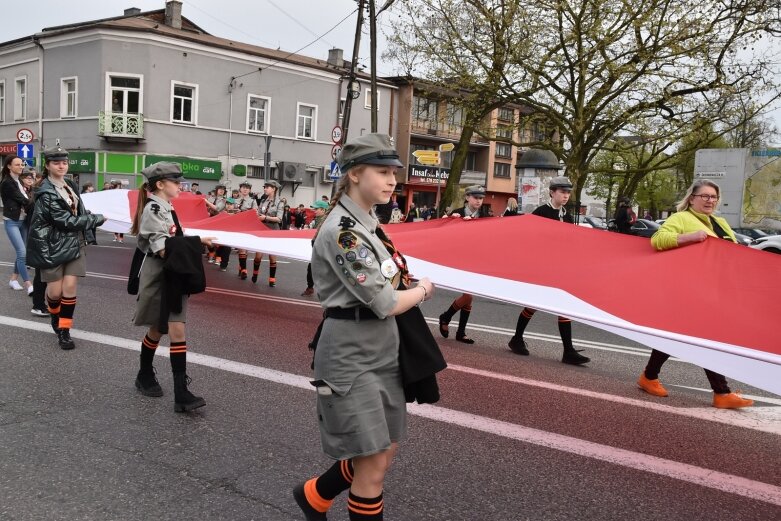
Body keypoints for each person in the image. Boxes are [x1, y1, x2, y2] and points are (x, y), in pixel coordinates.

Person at [294, 133, 434, 521]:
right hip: (351, 353)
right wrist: (423, 290)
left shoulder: (370, 223)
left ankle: (314, 495)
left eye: (394, 173)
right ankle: (314, 496)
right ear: (355, 174)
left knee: (384, 451)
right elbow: (387, 302)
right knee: (371, 465)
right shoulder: (344, 231)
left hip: (382, 349)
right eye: (382, 171)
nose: (392, 180)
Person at [636, 179, 753, 409]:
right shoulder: (681, 218)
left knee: (674, 336)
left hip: (714, 288)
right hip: (689, 289)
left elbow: (731, 250)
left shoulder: (719, 222)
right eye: (705, 196)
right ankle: (722, 392)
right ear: (692, 198)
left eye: (714, 197)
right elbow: (657, 240)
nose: (710, 200)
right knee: (707, 338)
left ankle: (648, 377)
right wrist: (689, 237)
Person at [130, 161, 215, 412]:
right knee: (159, 328)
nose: (181, 185)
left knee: (175, 329)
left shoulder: (166, 206)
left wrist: (196, 241)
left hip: (172, 274)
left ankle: (180, 392)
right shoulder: (154, 209)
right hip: (160, 274)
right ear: (160, 184)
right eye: (176, 182)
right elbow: (163, 248)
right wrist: (197, 242)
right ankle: (145, 374)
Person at [26, 145, 105, 350]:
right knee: (54, 293)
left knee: (69, 288)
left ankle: (64, 329)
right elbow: (65, 221)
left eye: (64, 162)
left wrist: (89, 218)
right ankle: (55, 316)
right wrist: (96, 220)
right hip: (52, 246)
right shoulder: (45, 191)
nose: (61, 166)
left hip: (74, 242)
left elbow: (78, 212)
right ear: (48, 165)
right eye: (56, 163)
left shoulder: (70, 183)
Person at [507, 177, 591, 365]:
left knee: (557, 306)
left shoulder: (567, 216)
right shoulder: (541, 213)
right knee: (535, 305)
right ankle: (518, 339)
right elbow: (529, 239)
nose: (566, 196)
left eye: (568, 192)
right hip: (542, 268)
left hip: (560, 269)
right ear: (552, 192)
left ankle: (566, 350)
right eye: (562, 192)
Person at [437, 185, 490, 344]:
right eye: (475, 197)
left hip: (477, 259)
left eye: (481, 198)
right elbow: (444, 234)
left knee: (470, 296)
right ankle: (446, 318)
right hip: (459, 260)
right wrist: (453, 221)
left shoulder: (486, 216)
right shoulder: (457, 214)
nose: (479, 201)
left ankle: (459, 331)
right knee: (468, 295)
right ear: (467, 198)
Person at [1, 156, 34, 294]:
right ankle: (29, 285)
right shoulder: (7, 183)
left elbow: (27, 197)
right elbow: (23, 200)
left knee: (22, 253)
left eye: (22, 164)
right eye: (17, 164)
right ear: (9, 166)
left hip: (23, 221)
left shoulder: (19, 181)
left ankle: (14, 279)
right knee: (22, 253)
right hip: (12, 222)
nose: (21, 166)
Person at [250, 180, 284, 286]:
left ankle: (272, 279)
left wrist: (265, 217)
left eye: (267, 187)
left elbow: (279, 219)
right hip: (262, 228)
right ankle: (255, 274)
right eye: (264, 187)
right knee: (258, 256)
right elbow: (259, 213)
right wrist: (256, 213)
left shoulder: (280, 202)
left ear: (274, 189)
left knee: (272, 256)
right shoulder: (264, 201)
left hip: (273, 230)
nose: (265, 189)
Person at [301, 199, 329, 297]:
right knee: (311, 268)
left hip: (324, 248)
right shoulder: (315, 219)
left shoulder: (328, 221)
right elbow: (311, 230)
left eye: (316, 209)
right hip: (315, 246)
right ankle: (310, 288)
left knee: (324, 270)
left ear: (323, 210)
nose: (314, 210)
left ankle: (324, 291)